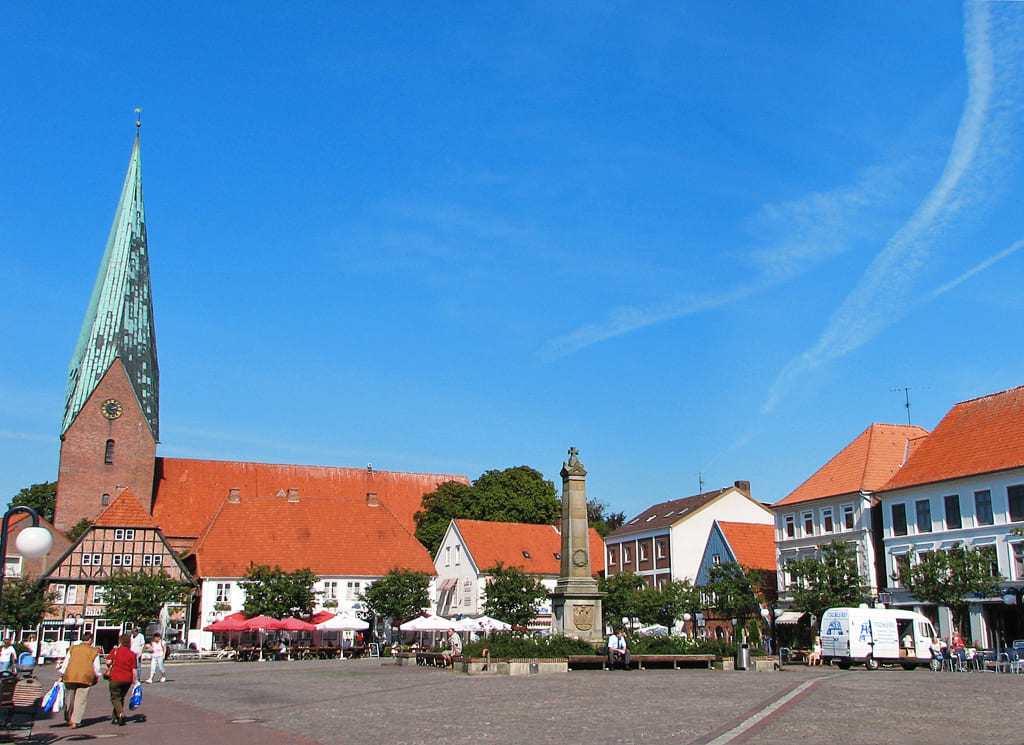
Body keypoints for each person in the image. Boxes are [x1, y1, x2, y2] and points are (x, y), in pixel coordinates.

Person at [57, 631, 102, 729]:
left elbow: (66, 662)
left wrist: (62, 674)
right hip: (85, 677)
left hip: (70, 676)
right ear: (90, 640)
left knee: (69, 698)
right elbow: (96, 667)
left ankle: (68, 717)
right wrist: (97, 676)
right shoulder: (94, 651)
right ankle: (75, 721)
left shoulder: (72, 649)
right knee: (80, 700)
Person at [106, 633, 139, 726]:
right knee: (121, 697)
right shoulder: (132, 654)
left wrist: (110, 665)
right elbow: (134, 669)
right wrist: (135, 680)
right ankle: (115, 717)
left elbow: (108, 661)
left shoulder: (115, 651)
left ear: (120, 641)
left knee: (114, 697)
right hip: (127, 679)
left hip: (115, 677)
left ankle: (120, 714)